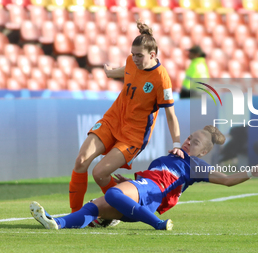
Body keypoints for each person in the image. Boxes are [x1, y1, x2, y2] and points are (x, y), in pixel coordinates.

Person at [31, 126, 258, 231]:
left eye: (195, 142)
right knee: (94, 207)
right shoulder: (171, 156)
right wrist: (129, 179)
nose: (189, 141)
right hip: (144, 196)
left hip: (151, 193)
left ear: (203, 152)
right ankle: (57, 224)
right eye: (189, 138)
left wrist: (253, 172)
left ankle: (159, 225)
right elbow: (152, 177)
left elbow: (228, 180)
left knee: (113, 194)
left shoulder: (194, 165)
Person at [68, 20, 183, 214]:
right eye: (133, 54)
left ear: (152, 55)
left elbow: (170, 115)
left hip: (133, 135)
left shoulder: (161, 79)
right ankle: (74, 216)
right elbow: (128, 70)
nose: (135, 59)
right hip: (113, 120)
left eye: (140, 55)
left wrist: (177, 144)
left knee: (100, 174)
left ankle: (120, 209)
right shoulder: (132, 61)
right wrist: (110, 72)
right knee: (81, 161)